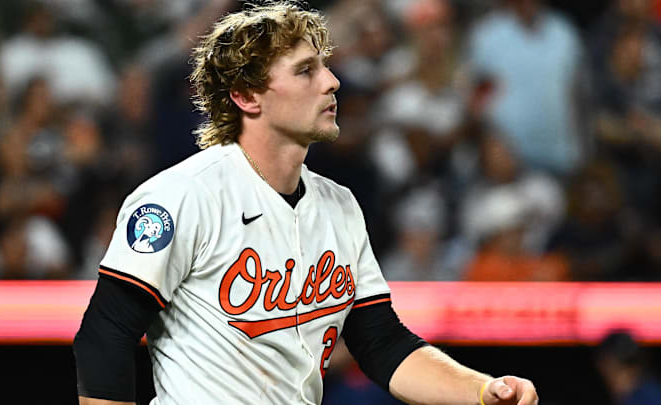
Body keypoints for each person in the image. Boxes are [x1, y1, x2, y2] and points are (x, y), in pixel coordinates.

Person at [73, 3, 539, 404]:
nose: (333, 82)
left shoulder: (339, 205)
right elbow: (104, 336)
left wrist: (482, 390)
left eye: (326, 66)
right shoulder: (183, 196)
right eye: (306, 70)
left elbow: (381, 342)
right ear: (246, 95)